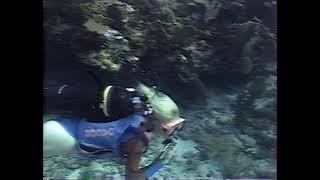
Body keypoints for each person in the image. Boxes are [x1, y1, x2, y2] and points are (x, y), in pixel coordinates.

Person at [43, 83, 186, 180]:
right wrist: (160, 164)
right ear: (158, 122)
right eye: (171, 128)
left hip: (65, 122)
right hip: (65, 137)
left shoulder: (137, 107)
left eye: (178, 125)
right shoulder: (139, 142)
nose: (174, 131)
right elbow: (131, 178)